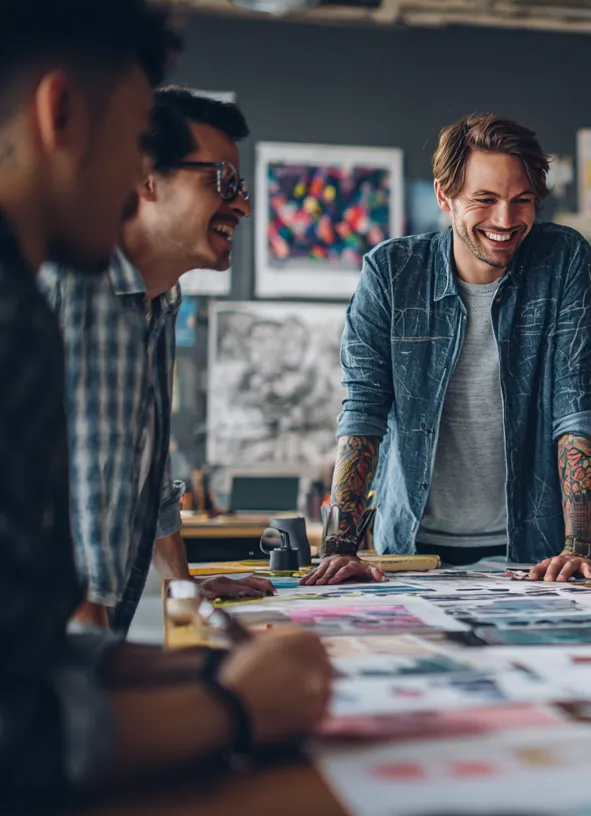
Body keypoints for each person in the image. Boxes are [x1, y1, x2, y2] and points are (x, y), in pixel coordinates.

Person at [0, 2, 330, 806]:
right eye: (134, 143)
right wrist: (235, 705)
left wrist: (198, 660)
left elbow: (27, 650)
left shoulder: (33, 302)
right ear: (63, 113)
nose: (129, 185)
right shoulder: (31, 308)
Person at [301, 112, 591, 586]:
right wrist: (339, 548)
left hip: (531, 553)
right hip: (410, 550)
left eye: (521, 201)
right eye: (485, 200)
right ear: (444, 195)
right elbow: (364, 408)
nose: (505, 221)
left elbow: (574, 402)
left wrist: (579, 543)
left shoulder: (562, 259)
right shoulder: (391, 272)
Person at [41, 87, 273, 634]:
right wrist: (88, 639)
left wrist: (183, 589)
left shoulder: (161, 300)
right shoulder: (68, 283)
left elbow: (146, 472)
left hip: (92, 642)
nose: (241, 204)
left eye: (239, 187)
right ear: (145, 177)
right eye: (222, 181)